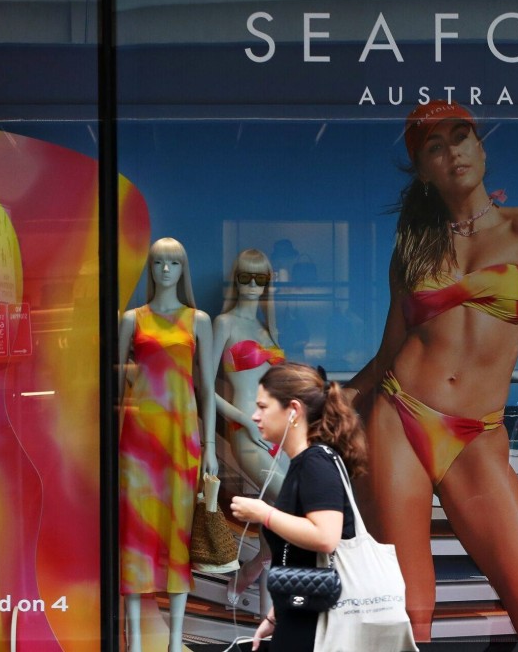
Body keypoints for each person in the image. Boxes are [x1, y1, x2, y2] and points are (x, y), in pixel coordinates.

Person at [344, 99, 518, 641]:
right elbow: (390, 350)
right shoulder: (412, 248)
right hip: (398, 414)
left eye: (461, 136)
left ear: (480, 147)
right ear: (423, 170)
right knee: (411, 612)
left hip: (477, 433)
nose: (452, 151)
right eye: (434, 146)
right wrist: (331, 404)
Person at [118, 237, 217, 652]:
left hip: (182, 441)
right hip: (139, 442)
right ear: (150, 268)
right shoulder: (132, 319)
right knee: (135, 532)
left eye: (173, 264)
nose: (164, 271)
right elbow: (114, 377)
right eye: (158, 263)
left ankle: (176, 640)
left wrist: (211, 444)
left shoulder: (199, 320)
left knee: (178, 532)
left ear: (182, 270)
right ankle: (136, 640)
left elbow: (208, 388)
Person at [229, 362, 367, 651]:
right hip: (302, 618)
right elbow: (302, 557)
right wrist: (277, 614)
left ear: (293, 410)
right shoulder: (307, 462)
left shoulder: (315, 463)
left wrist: (263, 513)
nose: (254, 416)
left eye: (263, 407)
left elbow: (326, 537)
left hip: (316, 629)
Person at [211, 248, 287, 609]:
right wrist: (240, 420)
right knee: (288, 500)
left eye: (262, 278)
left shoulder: (267, 328)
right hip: (246, 429)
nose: (253, 286)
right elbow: (203, 389)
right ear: (235, 280)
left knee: (282, 506)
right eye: (246, 277)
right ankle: (255, 568)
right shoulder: (223, 324)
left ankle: (264, 608)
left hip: (279, 431)